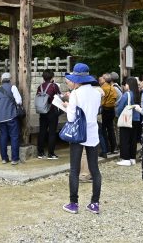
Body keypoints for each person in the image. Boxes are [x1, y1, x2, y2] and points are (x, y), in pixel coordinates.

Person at [62, 63, 102, 215]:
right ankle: (95, 203)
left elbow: (71, 117)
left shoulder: (75, 94)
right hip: (92, 133)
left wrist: (66, 107)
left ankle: (73, 204)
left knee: (74, 169)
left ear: (77, 80)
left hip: (78, 134)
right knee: (95, 170)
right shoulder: (97, 93)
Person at [0, 72, 23, 165]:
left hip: (1, 118)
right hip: (11, 116)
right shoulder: (13, 87)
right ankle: (15, 159)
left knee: (3, 137)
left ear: (2, 80)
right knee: (14, 137)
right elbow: (19, 101)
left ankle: (4, 158)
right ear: (10, 79)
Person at [115, 76, 142, 166]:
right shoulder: (137, 94)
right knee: (133, 139)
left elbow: (120, 108)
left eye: (126, 84)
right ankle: (132, 158)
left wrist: (118, 115)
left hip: (127, 119)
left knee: (125, 139)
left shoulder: (127, 94)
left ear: (129, 85)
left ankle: (125, 158)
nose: (125, 85)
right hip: (136, 119)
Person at [36, 69, 62, 160]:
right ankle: (51, 153)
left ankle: (40, 152)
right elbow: (60, 97)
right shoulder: (54, 86)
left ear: (43, 77)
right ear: (52, 77)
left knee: (42, 131)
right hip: (52, 111)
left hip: (42, 111)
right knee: (52, 132)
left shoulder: (40, 87)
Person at [99, 73, 117, 154]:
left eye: (102, 78)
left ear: (105, 80)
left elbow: (101, 101)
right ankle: (114, 147)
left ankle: (107, 148)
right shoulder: (113, 88)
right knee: (111, 129)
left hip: (105, 110)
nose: (100, 79)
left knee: (103, 130)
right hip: (112, 110)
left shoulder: (103, 88)